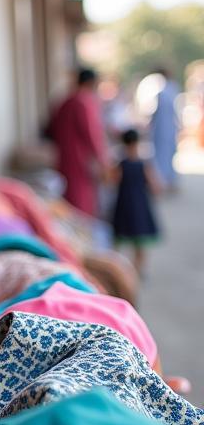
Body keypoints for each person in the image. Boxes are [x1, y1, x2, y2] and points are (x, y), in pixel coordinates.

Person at [47, 66, 112, 217]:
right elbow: (92, 134)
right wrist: (103, 161)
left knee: (69, 195)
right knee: (81, 198)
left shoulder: (65, 100)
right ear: (91, 82)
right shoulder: (84, 102)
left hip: (64, 156)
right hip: (80, 159)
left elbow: (51, 128)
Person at [111, 128, 160, 276]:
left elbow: (112, 181)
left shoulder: (121, 164)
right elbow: (155, 186)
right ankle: (137, 270)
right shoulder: (143, 164)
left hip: (124, 205)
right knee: (139, 240)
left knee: (119, 238)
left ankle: (120, 269)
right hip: (139, 205)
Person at [150, 66, 180, 192]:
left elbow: (156, 112)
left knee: (162, 156)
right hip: (169, 128)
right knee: (168, 155)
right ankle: (168, 182)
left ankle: (163, 182)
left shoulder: (162, 92)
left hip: (162, 129)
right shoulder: (172, 89)